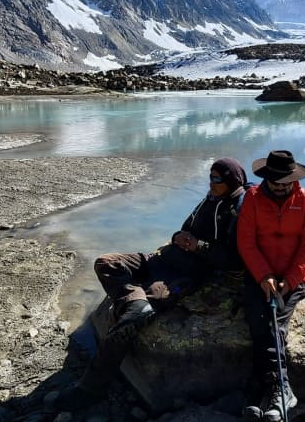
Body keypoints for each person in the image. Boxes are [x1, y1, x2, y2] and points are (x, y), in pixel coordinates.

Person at [59, 158, 249, 405]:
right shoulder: (210, 199)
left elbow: (234, 259)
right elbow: (183, 229)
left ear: (232, 181)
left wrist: (198, 246)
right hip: (160, 258)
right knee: (106, 263)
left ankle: (91, 387)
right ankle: (135, 300)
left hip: (181, 275)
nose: (210, 183)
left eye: (216, 179)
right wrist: (179, 237)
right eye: (210, 178)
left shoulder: (240, 210)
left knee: (135, 318)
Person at [237, 149, 305, 422]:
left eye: (287, 183)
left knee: (275, 323)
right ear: (267, 180)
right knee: (256, 320)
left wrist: (291, 279)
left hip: (290, 277)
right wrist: (263, 276)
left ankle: (268, 391)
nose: (282, 188)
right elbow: (246, 242)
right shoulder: (253, 199)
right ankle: (278, 390)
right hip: (259, 274)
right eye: (277, 184)